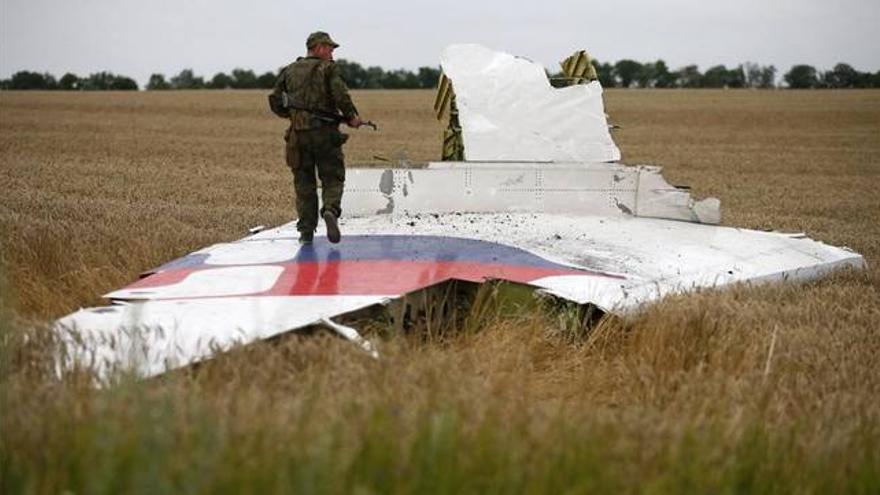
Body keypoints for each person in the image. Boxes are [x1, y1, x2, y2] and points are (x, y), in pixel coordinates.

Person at [272, 31, 364, 244]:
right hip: (325, 135)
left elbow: (275, 100)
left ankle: (306, 232)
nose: (332, 52)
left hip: (297, 136)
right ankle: (330, 210)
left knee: (304, 185)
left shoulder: (289, 70)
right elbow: (341, 95)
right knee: (332, 177)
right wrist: (352, 117)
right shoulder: (328, 68)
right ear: (318, 48)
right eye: (330, 48)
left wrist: (293, 116)